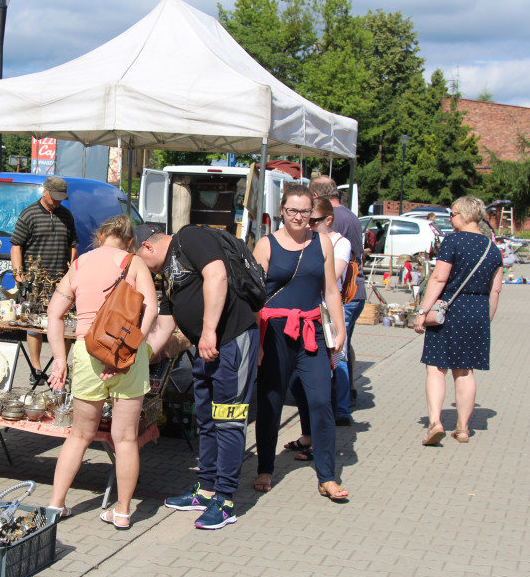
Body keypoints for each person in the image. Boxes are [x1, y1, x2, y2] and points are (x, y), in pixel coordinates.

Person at [136, 223, 260, 529]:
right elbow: (164, 326)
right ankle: (206, 490)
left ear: (147, 247)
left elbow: (217, 275)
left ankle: (226, 500)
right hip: (207, 348)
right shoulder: (165, 273)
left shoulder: (189, 237)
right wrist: (136, 361)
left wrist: (207, 332)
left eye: (137, 260)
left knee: (228, 419)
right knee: (206, 418)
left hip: (231, 340)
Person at [44, 215, 157, 528]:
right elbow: (152, 308)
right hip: (126, 354)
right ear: (129, 240)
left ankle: (56, 505)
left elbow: (54, 315)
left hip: (87, 351)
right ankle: (122, 512)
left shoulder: (80, 264)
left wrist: (58, 358)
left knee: (79, 435)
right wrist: (131, 347)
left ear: (101, 234)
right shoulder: (134, 263)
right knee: (124, 439)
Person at [253, 186, 348, 499]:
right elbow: (253, 298)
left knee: (321, 401)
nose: (298, 216)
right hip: (274, 330)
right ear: (282, 210)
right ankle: (265, 467)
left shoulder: (321, 242)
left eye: (304, 211)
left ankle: (327, 476)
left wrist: (339, 327)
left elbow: (331, 290)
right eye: (292, 210)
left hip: (311, 329)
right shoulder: (266, 245)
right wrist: (257, 342)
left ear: (313, 214)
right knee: (271, 401)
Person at [413, 196, 504, 445]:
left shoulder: (452, 241)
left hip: (449, 308)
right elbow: (495, 290)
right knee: (464, 371)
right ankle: (463, 428)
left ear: (464, 216)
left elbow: (439, 279)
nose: (450, 218)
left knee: (436, 367)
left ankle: (435, 422)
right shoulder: (492, 247)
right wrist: (486, 319)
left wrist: (422, 311)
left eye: (452, 214)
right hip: (477, 310)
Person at [10, 176, 78, 383]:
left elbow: (72, 244)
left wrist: (72, 269)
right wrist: (18, 275)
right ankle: (36, 369)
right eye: (55, 198)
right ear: (45, 192)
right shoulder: (29, 214)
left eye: (61, 199)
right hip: (34, 281)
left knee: (66, 324)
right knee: (35, 325)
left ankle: (61, 366)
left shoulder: (66, 215)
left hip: (61, 280)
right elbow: (16, 245)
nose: (58, 202)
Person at [308, 176, 367, 411]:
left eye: (313, 221)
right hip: (334, 298)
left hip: (336, 300)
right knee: (339, 350)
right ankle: (340, 400)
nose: (308, 224)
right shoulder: (351, 216)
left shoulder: (335, 235)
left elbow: (334, 275)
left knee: (337, 353)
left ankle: (340, 405)